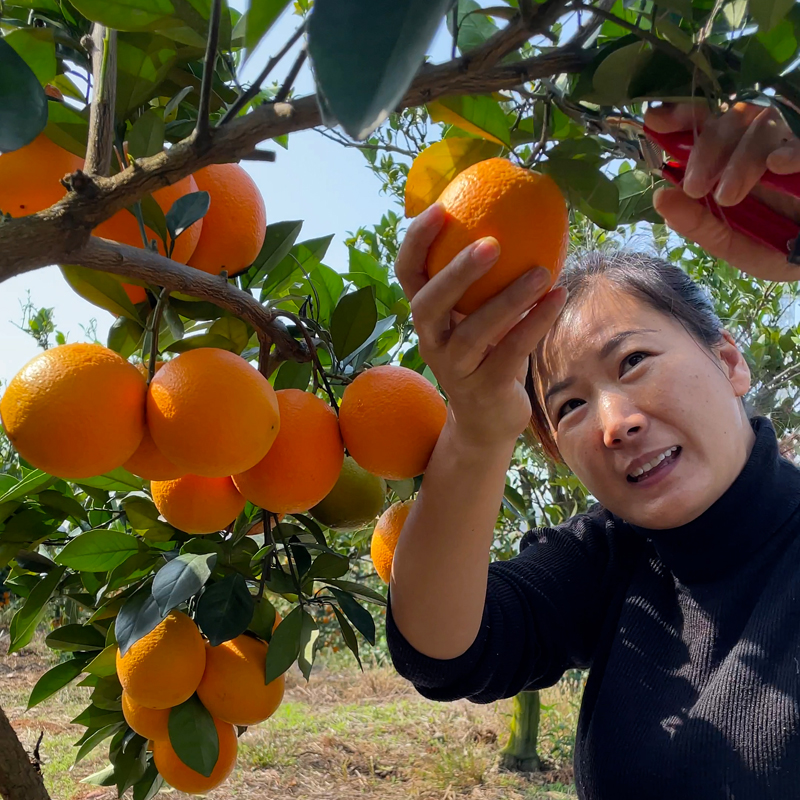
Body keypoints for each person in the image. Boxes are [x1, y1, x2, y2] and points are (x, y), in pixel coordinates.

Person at [386, 101, 800, 800]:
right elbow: (445, 651)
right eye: (569, 405)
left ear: (729, 361)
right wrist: (479, 431)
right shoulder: (610, 561)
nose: (614, 422)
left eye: (633, 360)